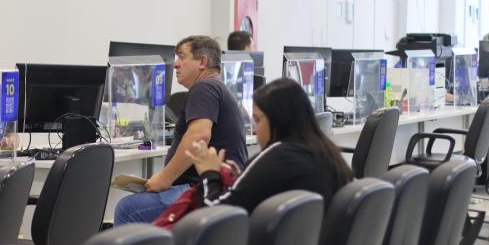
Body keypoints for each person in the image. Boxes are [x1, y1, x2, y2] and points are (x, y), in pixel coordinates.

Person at [114, 35, 248, 224]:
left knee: (127, 209)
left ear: (202, 61)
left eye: (182, 57)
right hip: (221, 187)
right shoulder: (217, 87)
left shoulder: (205, 87)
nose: (176, 64)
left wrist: (164, 179)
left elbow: (199, 136)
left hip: (203, 187)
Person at [184, 78, 353, 214]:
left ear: (278, 120)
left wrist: (209, 173)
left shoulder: (277, 155)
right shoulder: (327, 153)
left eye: (257, 119)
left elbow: (215, 215)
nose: (255, 130)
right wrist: (244, 178)